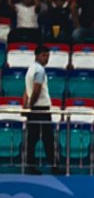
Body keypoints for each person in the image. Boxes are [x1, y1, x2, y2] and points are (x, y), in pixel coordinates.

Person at [23, 46, 58, 175]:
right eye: (44, 55)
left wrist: (26, 106)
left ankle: (30, 166)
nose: (46, 58)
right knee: (47, 139)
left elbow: (26, 90)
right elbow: (36, 90)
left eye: (48, 55)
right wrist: (30, 105)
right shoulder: (39, 70)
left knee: (32, 139)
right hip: (41, 109)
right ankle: (54, 166)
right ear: (37, 55)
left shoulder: (30, 69)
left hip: (33, 109)